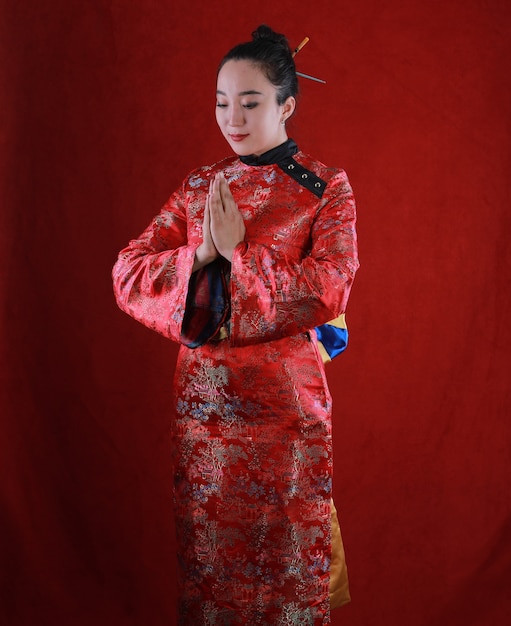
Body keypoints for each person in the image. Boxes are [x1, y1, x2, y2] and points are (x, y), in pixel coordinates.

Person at [112, 24, 359, 625]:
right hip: (205, 411)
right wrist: (198, 255)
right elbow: (127, 274)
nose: (233, 118)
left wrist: (242, 251)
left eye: (250, 103)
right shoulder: (201, 185)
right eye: (222, 103)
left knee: (288, 569)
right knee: (211, 574)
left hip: (284, 409)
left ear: (286, 105)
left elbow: (328, 289)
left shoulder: (324, 189)